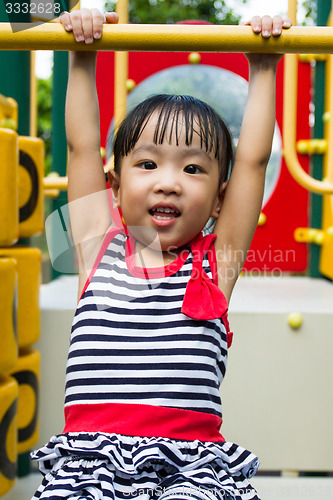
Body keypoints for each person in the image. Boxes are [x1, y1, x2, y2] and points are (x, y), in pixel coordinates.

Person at [31, 9, 291, 500]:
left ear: (220, 198)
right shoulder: (95, 248)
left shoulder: (217, 263)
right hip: (90, 462)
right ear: (115, 184)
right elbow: (82, 147)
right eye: (147, 164)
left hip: (189, 466)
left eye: (193, 169)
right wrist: (82, 55)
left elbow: (254, 161)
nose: (168, 181)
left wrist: (263, 65)